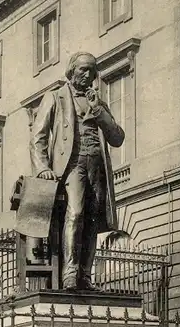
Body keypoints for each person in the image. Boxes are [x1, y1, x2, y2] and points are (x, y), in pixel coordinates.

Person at [30, 51, 125, 291]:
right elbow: (38, 138)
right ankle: (70, 274)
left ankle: (85, 276)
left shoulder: (97, 102)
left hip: (96, 165)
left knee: (92, 220)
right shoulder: (55, 97)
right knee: (76, 213)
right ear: (72, 71)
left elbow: (117, 137)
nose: (88, 74)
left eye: (92, 70)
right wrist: (42, 167)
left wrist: (99, 111)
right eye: (83, 69)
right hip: (71, 165)